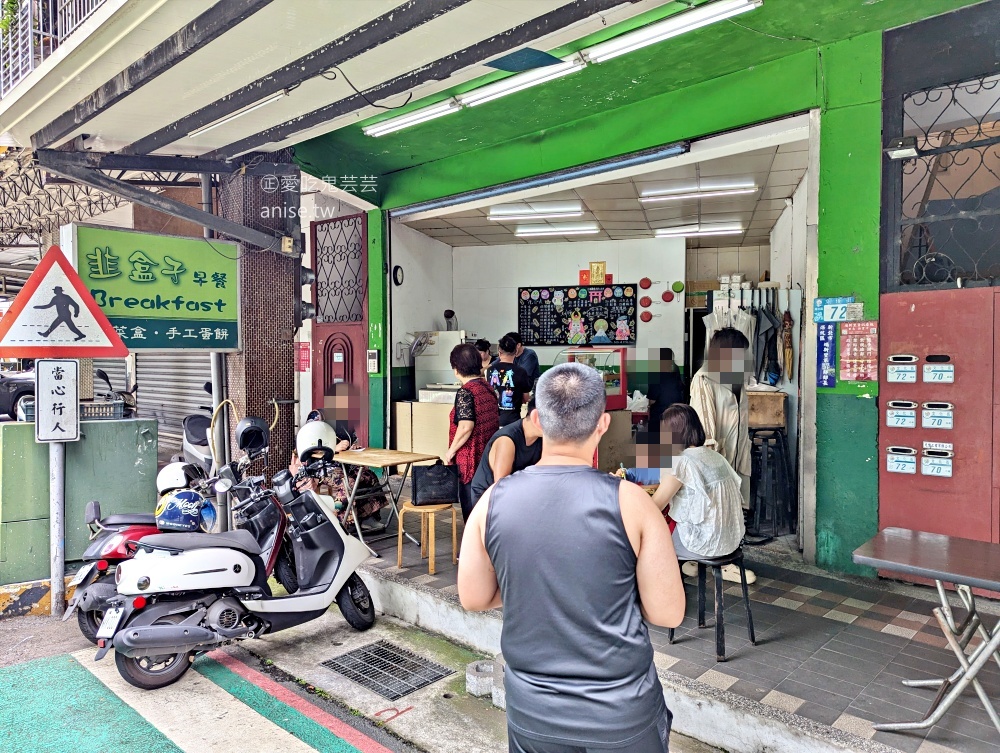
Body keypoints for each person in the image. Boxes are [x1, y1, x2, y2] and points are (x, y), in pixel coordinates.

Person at [459, 363, 684, 753]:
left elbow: (475, 597)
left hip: (534, 715)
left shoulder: (491, 503)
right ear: (603, 424)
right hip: (621, 715)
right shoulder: (632, 503)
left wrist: (532, 588)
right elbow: (668, 613)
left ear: (537, 419)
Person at [638, 405, 755, 584]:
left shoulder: (683, 461)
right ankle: (693, 565)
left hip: (704, 544)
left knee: (648, 536)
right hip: (730, 540)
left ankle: (657, 597)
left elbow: (655, 506)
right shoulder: (715, 456)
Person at [288, 384, 387, 526]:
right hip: (321, 467)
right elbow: (306, 445)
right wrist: (332, 448)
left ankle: (368, 517)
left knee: (369, 477)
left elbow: (352, 439)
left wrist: (353, 446)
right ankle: (341, 522)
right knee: (349, 483)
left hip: (343, 465)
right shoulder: (317, 417)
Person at [690, 328, 752, 509]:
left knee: (735, 510)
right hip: (717, 459)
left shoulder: (736, 378)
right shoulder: (704, 379)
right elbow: (705, 427)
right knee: (719, 510)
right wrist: (712, 468)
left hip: (737, 454)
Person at [444, 343, 500, 520]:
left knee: (471, 510)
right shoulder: (487, 388)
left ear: (456, 369)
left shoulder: (466, 392)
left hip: (470, 460)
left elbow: (466, 426)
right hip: (488, 458)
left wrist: (450, 452)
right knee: (485, 509)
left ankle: (473, 546)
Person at [470, 398, 543, 507]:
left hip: (518, 494)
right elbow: (501, 485)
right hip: (489, 498)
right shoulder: (507, 439)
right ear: (536, 417)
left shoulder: (542, 437)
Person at [485, 335, 532, 428]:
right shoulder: (521, 371)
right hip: (513, 421)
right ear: (516, 352)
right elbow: (525, 398)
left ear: (499, 352)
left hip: (493, 420)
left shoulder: (489, 370)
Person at [645, 347, 686, 427]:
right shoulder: (675, 368)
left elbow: (652, 400)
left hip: (661, 415)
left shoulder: (656, 372)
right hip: (676, 412)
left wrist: (649, 406)